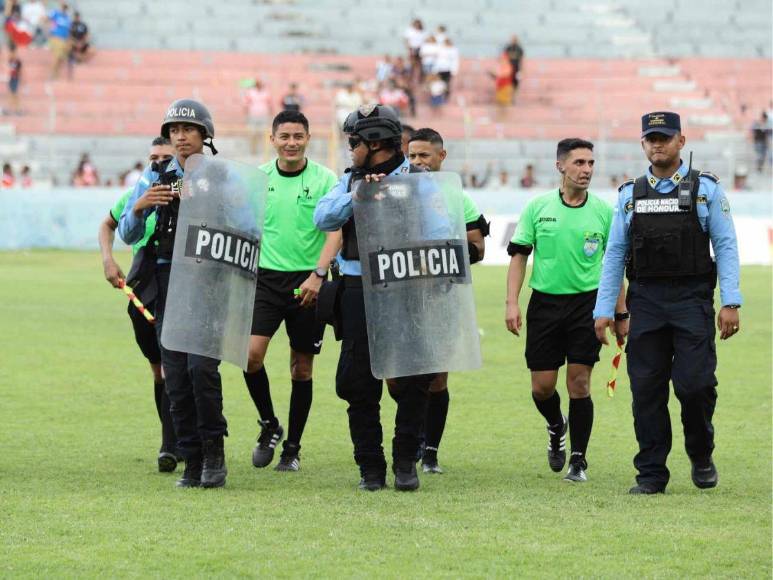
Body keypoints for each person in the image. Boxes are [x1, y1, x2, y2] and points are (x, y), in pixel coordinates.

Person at [594, 111, 742, 494]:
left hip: (692, 300)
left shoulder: (706, 189)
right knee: (646, 390)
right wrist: (604, 309)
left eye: (665, 137)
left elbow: (725, 245)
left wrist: (731, 301)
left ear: (681, 141)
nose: (657, 144)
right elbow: (614, 255)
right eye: (651, 138)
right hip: (646, 302)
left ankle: (701, 452)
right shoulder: (630, 195)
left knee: (695, 386)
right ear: (643, 144)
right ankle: (651, 475)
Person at [313, 104, 436, 492]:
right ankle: (370, 467)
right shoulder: (349, 180)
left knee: (415, 378)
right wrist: (360, 196)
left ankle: (405, 463)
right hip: (357, 291)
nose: (350, 148)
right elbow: (323, 218)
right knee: (358, 383)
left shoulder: (420, 180)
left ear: (375, 141)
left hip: (406, 288)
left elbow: (438, 232)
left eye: (354, 141)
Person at [119, 99, 229, 489]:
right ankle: (192, 459)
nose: (180, 137)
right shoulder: (155, 177)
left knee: (202, 369)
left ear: (205, 135)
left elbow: (243, 228)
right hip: (167, 284)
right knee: (176, 375)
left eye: (188, 130)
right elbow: (128, 235)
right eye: (174, 131)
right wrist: (139, 209)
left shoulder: (222, 177)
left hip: (207, 284)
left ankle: (214, 454)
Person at [506, 138, 623, 483]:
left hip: (588, 305)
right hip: (544, 304)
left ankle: (578, 460)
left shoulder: (604, 212)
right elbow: (518, 257)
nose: (586, 170)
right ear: (560, 166)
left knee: (579, 383)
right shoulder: (537, 208)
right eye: (579, 163)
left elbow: (615, 264)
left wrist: (621, 311)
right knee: (542, 387)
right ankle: (556, 425)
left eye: (590, 163)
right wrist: (512, 302)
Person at [244, 111, 340, 472]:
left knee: (301, 367)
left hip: (308, 281)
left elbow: (335, 230)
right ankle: (270, 424)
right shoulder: (258, 179)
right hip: (265, 279)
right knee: (250, 356)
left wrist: (318, 275)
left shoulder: (325, 179)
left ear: (308, 138)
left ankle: (293, 448)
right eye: (284, 136)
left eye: (298, 136)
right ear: (272, 140)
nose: (291, 142)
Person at [406, 127, 489, 473]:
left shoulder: (460, 199)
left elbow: (479, 249)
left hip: (442, 296)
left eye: (424, 155)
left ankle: (430, 451)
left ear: (442, 156)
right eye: (411, 156)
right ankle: (411, 436)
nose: (417, 162)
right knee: (400, 377)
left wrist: (439, 255)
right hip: (402, 298)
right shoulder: (397, 193)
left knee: (437, 377)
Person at [98, 136, 177, 472]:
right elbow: (109, 225)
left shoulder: (185, 191)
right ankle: (174, 436)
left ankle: (171, 445)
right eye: (153, 157)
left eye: (164, 157)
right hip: (142, 286)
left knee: (176, 365)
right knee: (159, 370)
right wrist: (107, 260)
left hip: (174, 281)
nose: (157, 163)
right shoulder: (139, 191)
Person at [243, 79, 272, 155]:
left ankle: (264, 151)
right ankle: (253, 150)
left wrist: (270, 114)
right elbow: (246, 104)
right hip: (253, 115)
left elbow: (270, 104)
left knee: (264, 133)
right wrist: (246, 115)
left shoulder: (266, 92)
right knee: (252, 133)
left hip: (263, 115)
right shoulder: (250, 92)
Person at [47, 1, 71, 79]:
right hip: (56, 38)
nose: (64, 8)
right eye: (63, 6)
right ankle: (52, 74)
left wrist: (68, 41)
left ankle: (56, 73)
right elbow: (47, 19)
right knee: (57, 56)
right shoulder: (56, 13)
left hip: (63, 39)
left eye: (66, 7)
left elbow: (68, 31)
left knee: (61, 57)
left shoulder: (67, 18)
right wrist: (49, 29)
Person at [7, 46, 21, 115]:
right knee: (12, 94)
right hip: (11, 78)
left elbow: (20, 71)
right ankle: (12, 109)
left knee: (15, 94)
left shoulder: (18, 61)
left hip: (15, 78)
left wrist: (22, 79)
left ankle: (17, 109)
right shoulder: (10, 60)